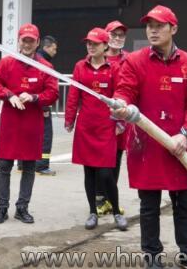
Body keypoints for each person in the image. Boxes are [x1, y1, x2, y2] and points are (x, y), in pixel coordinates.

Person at [111, 5, 187, 269]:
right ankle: (152, 256)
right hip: (146, 144)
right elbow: (125, 90)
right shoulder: (135, 61)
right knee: (149, 206)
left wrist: (186, 134)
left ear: (173, 29)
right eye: (149, 26)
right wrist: (121, 103)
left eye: (159, 26)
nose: (153, 31)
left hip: (178, 144)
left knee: (183, 204)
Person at [0, 24, 59, 225]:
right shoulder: (7, 63)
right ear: (18, 41)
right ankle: (2, 207)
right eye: (24, 40)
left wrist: (35, 97)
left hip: (32, 123)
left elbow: (53, 93)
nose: (27, 44)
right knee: (4, 166)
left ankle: (22, 207)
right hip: (10, 122)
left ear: (38, 43)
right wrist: (9, 95)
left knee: (29, 166)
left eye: (31, 41)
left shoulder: (46, 67)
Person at [65, 28, 127, 231]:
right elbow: (73, 94)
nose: (90, 47)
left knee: (106, 173)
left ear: (105, 46)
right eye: (88, 43)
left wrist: (121, 122)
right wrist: (69, 119)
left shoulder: (114, 68)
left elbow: (120, 94)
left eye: (95, 44)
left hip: (106, 126)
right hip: (86, 127)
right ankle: (93, 212)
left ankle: (116, 211)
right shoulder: (80, 66)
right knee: (89, 172)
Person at [96, 20, 130, 216]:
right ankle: (99, 198)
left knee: (116, 159)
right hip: (101, 119)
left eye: (121, 35)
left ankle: (110, 199)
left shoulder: (129, 59)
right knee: (99, 161)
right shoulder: (95, 57)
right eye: (113, 35)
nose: (117, 38)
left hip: (122, 120)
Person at [35, 35, 58, 175]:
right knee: (45, 135)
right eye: (54, 49)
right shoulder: (44, 64)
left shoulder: (31, 59)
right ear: (46, 47)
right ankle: (42, 165)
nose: (55, 52)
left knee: (30, 135)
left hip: (29, 104)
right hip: (41, 104)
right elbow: (49, 89)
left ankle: (22, 163)